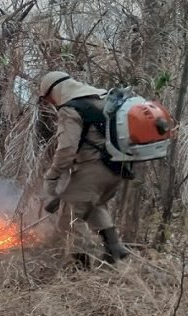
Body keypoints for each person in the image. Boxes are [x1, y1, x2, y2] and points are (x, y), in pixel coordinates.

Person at [38, 71, 130, 266]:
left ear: (55, 90)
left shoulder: (71, 109)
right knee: (95, 206)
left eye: (48, 98)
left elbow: (67, 149)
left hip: (94, 167)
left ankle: (80, 264)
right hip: (119, 168)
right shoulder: (103, 98)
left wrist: (52, 175)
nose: (50, 103)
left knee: (69, 215)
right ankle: (115, 251)